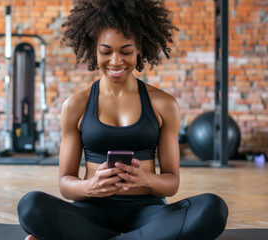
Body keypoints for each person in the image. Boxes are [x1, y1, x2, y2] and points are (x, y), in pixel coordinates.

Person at [17, 0, 228, 239]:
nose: (116, 61)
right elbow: (66, 184)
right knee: (30, 206)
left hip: (148, 211)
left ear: (139, 49)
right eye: (106, 51)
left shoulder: (164, 104)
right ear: (93, 49)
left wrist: (146, 179)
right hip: (91, 210)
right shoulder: (75, 106)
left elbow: (171, 183)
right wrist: (90, 186)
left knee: (213, 208)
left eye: (126, 51)